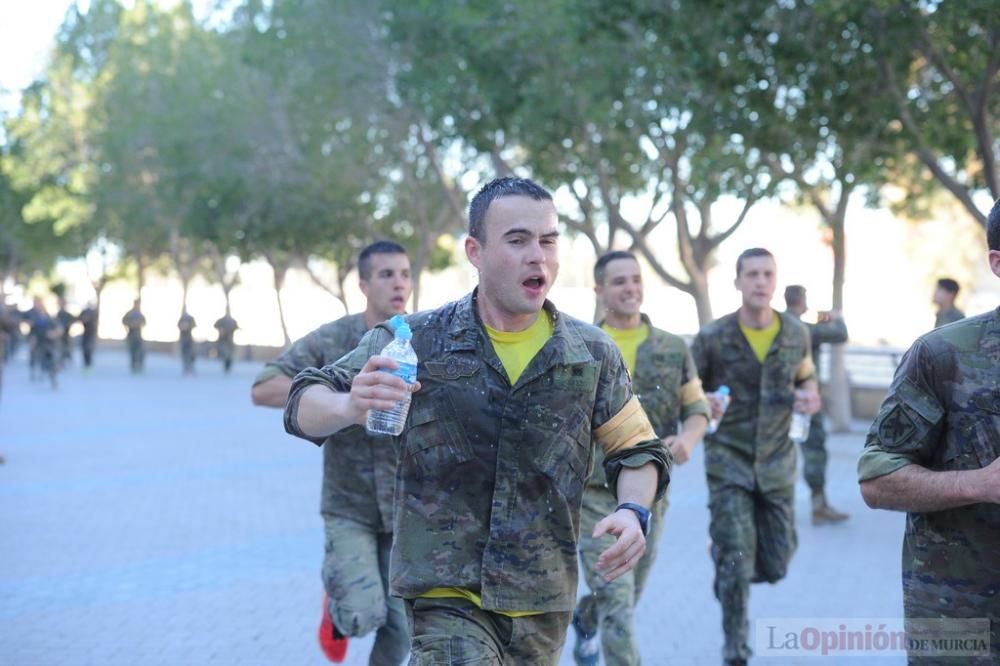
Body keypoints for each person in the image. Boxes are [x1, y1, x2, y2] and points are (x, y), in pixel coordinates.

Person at [283, 176, 671, 665]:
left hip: (541, 597)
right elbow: (302, 401)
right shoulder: (415, 340)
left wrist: (634, 510)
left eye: (548, 240)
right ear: (475, 251)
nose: (538, 255)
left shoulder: (590, 353)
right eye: (517, 240)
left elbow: (637, 446)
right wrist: (347, 405)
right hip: (445, 593)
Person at [251, 240, 413, 665]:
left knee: (403, 630)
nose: (399, 283)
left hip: (407, 512)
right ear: (363, 284)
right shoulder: (334, 338)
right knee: (362, 615)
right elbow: (263, 387)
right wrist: (338, 393)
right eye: (386, 274)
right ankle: (337, 599)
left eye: (405, 274)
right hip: (350, 507)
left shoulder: (421, 338)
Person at [859, 198, 1000, 664]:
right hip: (964, 621)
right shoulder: (943, 356)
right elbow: (876, 479)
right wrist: (979, 483)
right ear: (997, 264)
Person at [572, 251, 710, 666]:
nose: (630, 288)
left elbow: (697, 407)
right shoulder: (578, 345)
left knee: (629, 593)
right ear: (599, 290)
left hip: (651, 492)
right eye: (618, 282)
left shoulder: (671, 347)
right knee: (619, 601)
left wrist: (688, 438)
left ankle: (584, 618)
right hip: (593, 496)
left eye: (635, 279)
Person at [691, 248, 821, 666]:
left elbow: (807, 377)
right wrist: (701, 402)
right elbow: (687, 391)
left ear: (776, 280)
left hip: (778, 463)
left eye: (767, 274)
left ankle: (726, 561)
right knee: (736, 557)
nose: (760, 282)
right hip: (728, 461)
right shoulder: (712, 337)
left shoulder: (796, 333)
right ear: (738, 282)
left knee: (777, 562)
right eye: (752, 274)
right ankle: (736, 646)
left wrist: (811, 397)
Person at [783, 285, 850, 525]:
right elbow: (840, 334)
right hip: (806, 403)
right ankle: (818, 505)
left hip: (780, 402)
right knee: (814, 452)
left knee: (780, 453)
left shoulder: (778, 325)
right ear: (802, 301)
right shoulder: (804, 329)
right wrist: (833, 318)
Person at [28, 297, 62, 389]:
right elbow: (32, 333)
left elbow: (59, 330)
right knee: (42, 361)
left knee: (51, 362)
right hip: (39, 344)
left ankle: (53, 380)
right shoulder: (35, 320)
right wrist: (32, 341)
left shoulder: (51, 319)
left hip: (50, 344)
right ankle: (42, 373)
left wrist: (53, 334)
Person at [121, 299, 146, 374]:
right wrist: (131, 324)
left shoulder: (139, 314)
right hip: (131, 335)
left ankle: (139, 366)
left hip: (138, 336)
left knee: (140, 352)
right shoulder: (130, 314)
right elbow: (124, 321)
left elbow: (144, 322)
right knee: (133, 352)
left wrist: (138, 324)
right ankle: (133, 367)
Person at [55, 297, 76, 368]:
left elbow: (74, 320)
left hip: (66, 336)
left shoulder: (67, 314)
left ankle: (66, 360)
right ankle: (61, 363)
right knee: (60, 350)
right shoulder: (58, 314)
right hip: (59, 337)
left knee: (66, 349)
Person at [78, 303, 98, 372]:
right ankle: (86, 364)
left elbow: (94, 320)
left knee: (89, 349)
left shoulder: (93, 312)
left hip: (91, 333)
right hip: (85, 333)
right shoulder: (84, 312)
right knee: (84, 349)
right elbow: (80, 319)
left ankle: (88, 364)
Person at [177, 310, 197, 375]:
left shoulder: (190, 319)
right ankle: (186, 368)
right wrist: (182, 327)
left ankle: (191, 367)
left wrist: (189, 326)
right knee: (184, 354)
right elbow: (178, 325)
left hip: (189, 339)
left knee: (191, 353)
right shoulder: (181, 319)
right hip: (183, 339)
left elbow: (194, 325)